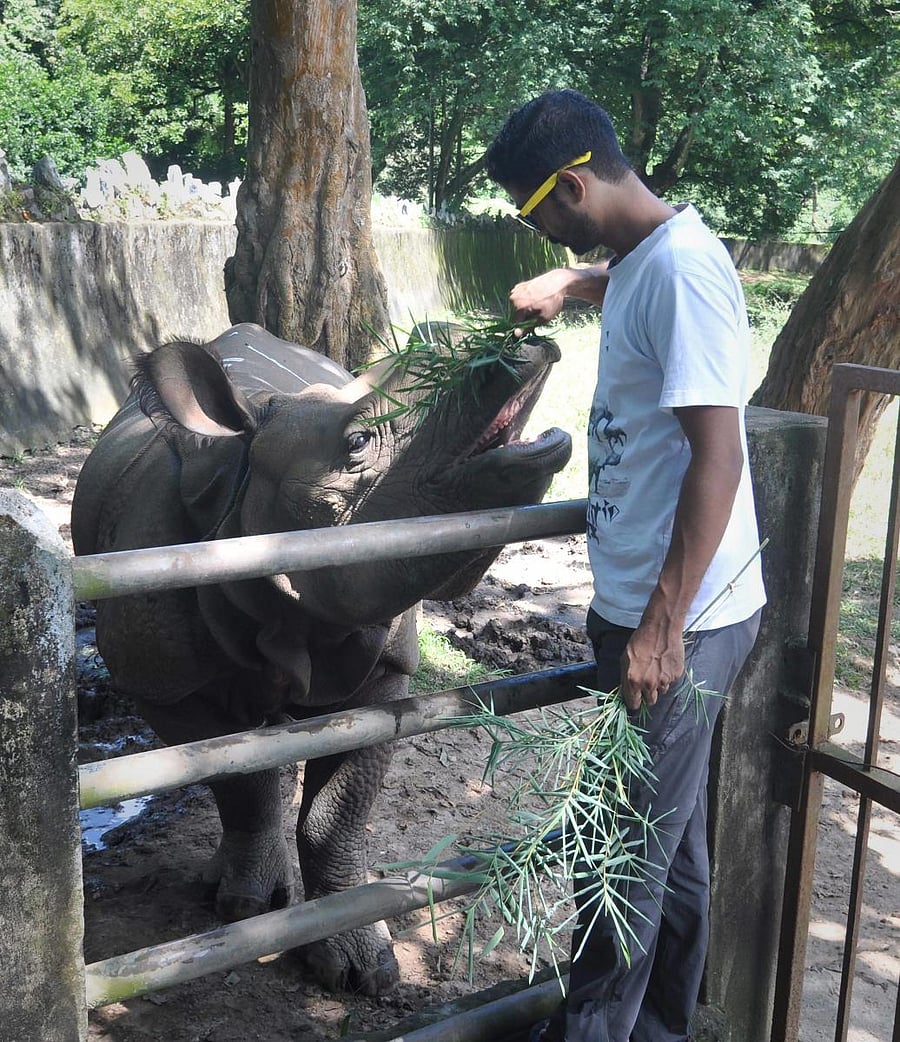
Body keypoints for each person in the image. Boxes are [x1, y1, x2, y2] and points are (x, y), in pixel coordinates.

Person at [485, 89, 766, 1042]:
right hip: (648, 604)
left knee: (620, 858)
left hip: (680, 615)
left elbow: (717, 456)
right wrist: (577, 285)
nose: (540, 234)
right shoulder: (649, 259)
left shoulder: (685, 271)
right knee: (671, 849)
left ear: (570, 185)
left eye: (535, 214)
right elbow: (634, 278)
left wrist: (660, 626)